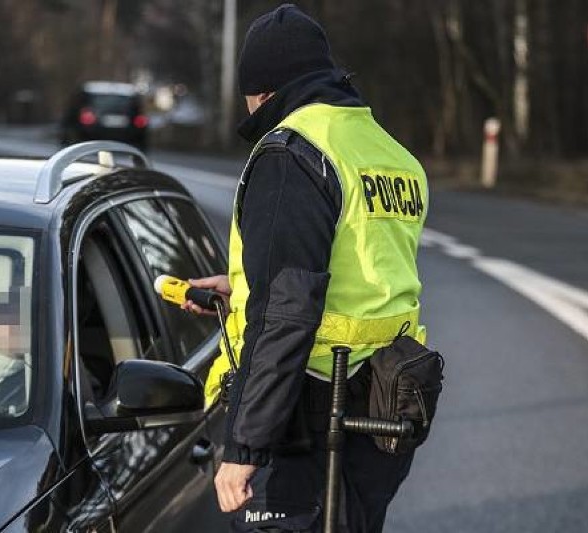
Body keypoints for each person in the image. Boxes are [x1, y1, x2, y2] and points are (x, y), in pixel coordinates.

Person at [183, 4, 429, 532]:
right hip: (386, 406)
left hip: (310, 415)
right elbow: (362, 273)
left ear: (263, 90)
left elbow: (287, 313)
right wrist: (243, 284)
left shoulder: (293, 152)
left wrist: (247, 444)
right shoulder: (389, 153)